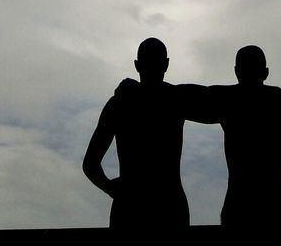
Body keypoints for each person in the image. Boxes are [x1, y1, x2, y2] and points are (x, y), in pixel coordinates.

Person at [82, 37, 210, 229]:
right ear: (166, 64)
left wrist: (111, 188)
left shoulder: (120, 103)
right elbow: (222, 101)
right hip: (169, 205)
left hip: (130, 208)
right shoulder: (176, 99)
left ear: (137, 65)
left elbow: (90, 165)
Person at [208, 45, 281, 228]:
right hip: (276, 210)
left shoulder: (228, 103)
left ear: (236, 71)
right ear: (265, 72)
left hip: (240, 210)